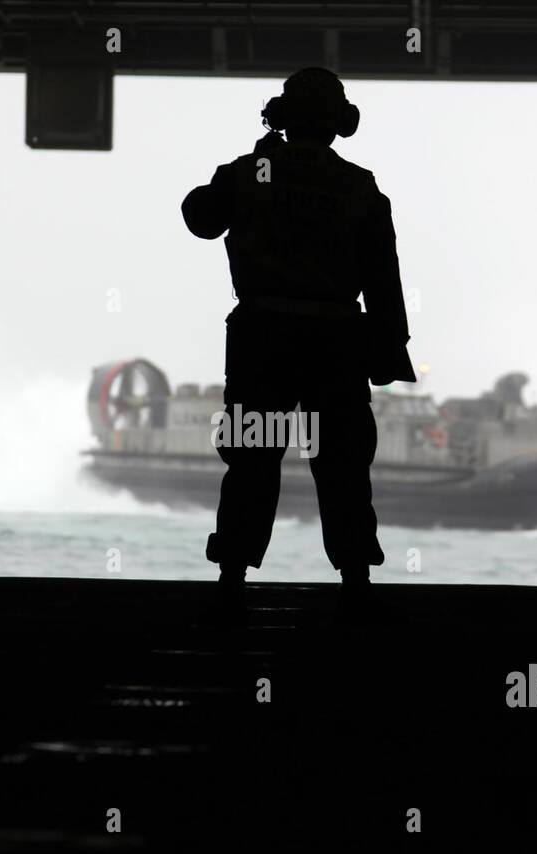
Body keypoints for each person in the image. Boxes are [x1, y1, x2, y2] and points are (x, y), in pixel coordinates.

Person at [181, 67, 416, 623]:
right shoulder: (360, 187)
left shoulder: (249, 172)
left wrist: (252, 160)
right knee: (342, 465)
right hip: (335, 344)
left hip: (262, 341)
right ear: (341, 123)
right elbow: (385, 280)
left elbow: (199, 219)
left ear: (281, 117)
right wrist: (387, 349)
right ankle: (356, 586)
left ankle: (231, 582)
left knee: (250, 462)